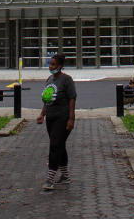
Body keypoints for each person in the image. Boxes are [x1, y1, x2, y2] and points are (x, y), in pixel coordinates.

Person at [36, 53, 77, 192]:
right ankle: (65, 176)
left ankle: (50, 178)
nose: (50, 67)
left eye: (53, 64)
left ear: (60, 66)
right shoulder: (49, 79)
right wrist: (42, 114)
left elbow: (72, 99)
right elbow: (47, 100)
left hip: (63, 117)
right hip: (51, 118)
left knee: (54, 145)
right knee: (59, 145)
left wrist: (71, 119)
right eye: (50, 64)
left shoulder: (67, 80)